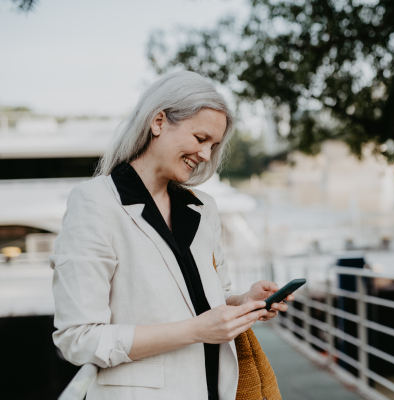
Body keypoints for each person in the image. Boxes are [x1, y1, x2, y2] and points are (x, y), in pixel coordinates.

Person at [51, 71, 292, 400]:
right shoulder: (95, 202)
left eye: (214, 145)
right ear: (159, 121)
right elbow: (78, 339)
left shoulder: (204, 208)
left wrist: (245, 302)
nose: (206, 155)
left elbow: (210, 303)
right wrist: (196, 331)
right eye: (200, 138)